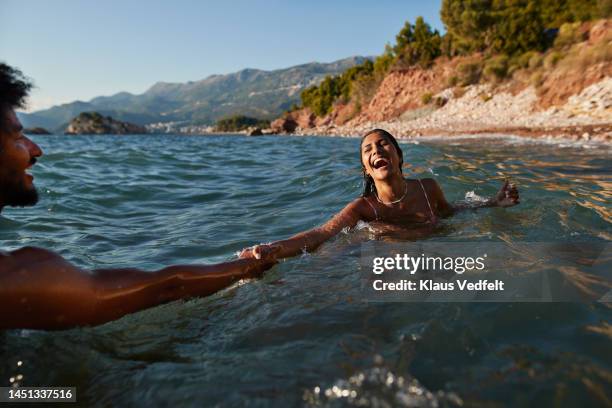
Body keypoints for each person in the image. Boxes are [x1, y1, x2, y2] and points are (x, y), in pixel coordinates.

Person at [0, 63, 273, 330]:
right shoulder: (20, 277)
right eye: (17, 137)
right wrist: (271, 256)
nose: (35, 150)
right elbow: (168, 287)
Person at [240, 128, 520, 261]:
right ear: (367, 169)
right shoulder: (364, 209)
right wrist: (275, 247)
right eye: (368, 150)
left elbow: (449, 212)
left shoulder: (427, 188)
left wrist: (492, 204)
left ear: (399, 156)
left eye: (384, 145)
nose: (376, 151)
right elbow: (320, 234)